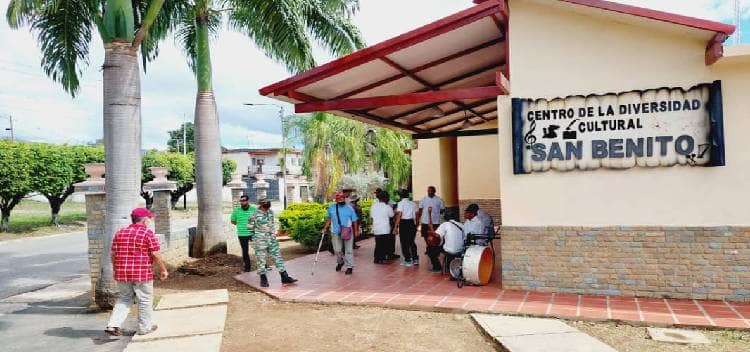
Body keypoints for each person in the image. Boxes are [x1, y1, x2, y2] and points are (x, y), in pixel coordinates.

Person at [105, 208, 168, 336]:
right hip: (142, 273)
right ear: (144, 220)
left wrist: (116, 269)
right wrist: (163, 269)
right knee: (144, 299)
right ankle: (144, 327)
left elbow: (113, 254)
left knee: (124, 298)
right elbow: (155, 254)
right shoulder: (147, 233)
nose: (150, 221)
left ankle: (113, 325)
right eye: (149, 218)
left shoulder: (120, 233)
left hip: (122, 273)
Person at [248, 199, 297, 287]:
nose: (267, 207)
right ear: (261, 205)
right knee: (261, 259)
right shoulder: (254, 214)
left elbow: (272, 224)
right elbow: (250, 228)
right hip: (260, 240)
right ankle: (263, 279)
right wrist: (256, 238)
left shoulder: (270, 212)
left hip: (272, 239)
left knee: (278, 257)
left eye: (268, 205)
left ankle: (284, 277)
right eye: (265, 205)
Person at [323, 193, 360, 274]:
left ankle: (349, 267)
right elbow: (329, 218)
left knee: (349, 250)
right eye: (339, 199)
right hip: (335, 231)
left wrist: (356, 230)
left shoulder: (349, 208)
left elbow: (354, 220)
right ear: (336, 200)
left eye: (342, 199)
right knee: (337, 250)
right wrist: (325, 228)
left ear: (344, 199)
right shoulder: (332, 208)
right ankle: (340, 262)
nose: (341, 200)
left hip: (347, 230)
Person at [416, 186, 444, 270]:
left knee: (435, 237)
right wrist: (418, 220)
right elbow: (420, 210)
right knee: (425, 236)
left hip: (435, 222)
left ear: (434, 191)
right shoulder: (423, 199)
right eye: (428, 191)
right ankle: (429, 248)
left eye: (431, 191)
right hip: (425, 221)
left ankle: (434, 249)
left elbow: (442, 210)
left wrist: (436, 213)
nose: (429, 192)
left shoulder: (439, 200)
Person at [434, 212, 465, 277]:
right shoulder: (461, 225)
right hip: (461, 250)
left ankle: (437, 267)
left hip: (450, 251)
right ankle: (453, 267)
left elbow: (436, 236)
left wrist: (431, 229)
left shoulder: (445, 224)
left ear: (445, 218)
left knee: (432, 249)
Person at [230, 195, 256, 272]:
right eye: (241, 201)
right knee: (245, 251)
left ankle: (263, 265)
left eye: (244, 201)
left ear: (248, 201)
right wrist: (241, 225)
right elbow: (233, 221)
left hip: (253, 234)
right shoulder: (236, 210)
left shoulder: (254, 209)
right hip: (242, 234)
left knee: (258, 250)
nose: (243, 202)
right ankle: (247, 267)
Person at [393, 189, 418, 266]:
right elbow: (416, 214)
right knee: (411, 241)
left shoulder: (400, 203)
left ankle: (408, 260)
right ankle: (415, 259)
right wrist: (416, 224)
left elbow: (399, 215)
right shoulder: (413, 203)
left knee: (404, 242)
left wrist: (395, 227)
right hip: (411, 223)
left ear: (400, 196)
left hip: (404, 223)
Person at [371, 191, 394, 264]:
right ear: (386, 198)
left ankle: (376, 258)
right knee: (384, 244)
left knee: (378, 243)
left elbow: (371, 216)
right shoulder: (387, 207)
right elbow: (391, 215)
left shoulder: (373, 206)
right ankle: (382, 258)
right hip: (385, 228)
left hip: (376, 227)